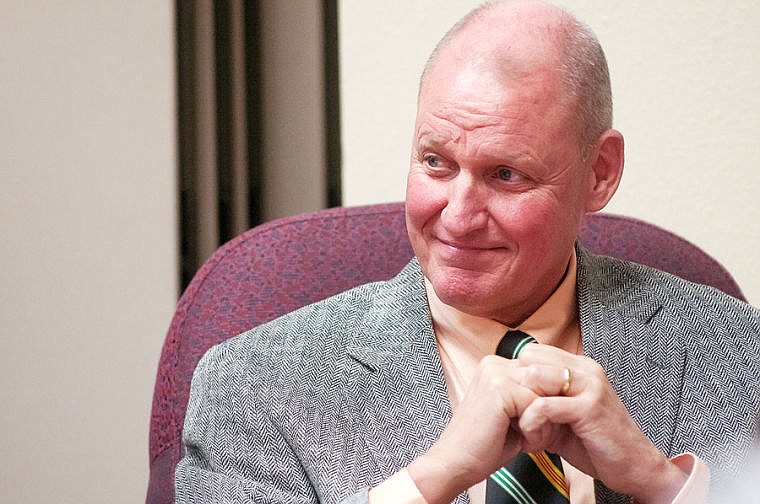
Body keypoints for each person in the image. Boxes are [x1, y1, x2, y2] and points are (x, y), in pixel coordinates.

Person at [174, 1, 760, 503]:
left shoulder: (732, 350)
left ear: (599, 174)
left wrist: (662, 484)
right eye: (436, 163)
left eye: (506, 174)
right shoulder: (253, 385)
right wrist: (432, 480)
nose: (457, 215)